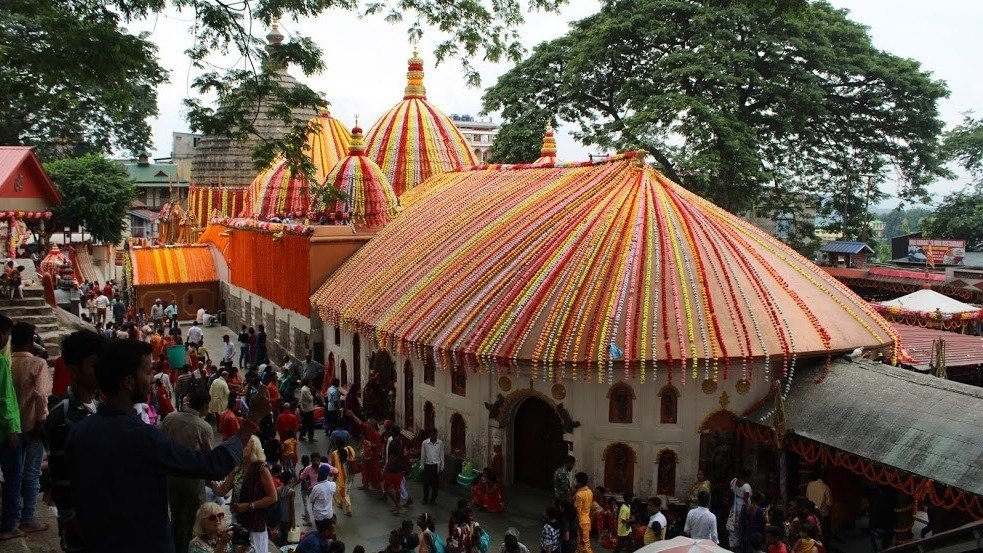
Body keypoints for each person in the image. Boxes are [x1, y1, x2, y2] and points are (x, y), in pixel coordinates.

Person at [65, 338, 272, 552]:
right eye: (147, 372)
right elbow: (213, 465)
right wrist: (252, 420)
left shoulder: (79, 433)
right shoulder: (141, 437)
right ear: (128, 382)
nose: (153, 379)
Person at [43, 330, 102, 549]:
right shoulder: (63, 417)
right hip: (82, 529)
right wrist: (75, 523)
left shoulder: (98, 406)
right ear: (74, 370)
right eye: (95, 365)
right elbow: (62, 482)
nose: (102, 371)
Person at [7, 322, 52, 535]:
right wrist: (42, 421)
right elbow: (41, 395)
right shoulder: (38, 363)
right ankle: (28, 518)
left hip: (11, 428)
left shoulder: (6, 362)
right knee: (32, 474)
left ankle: (12, 518)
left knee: (13, 474)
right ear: (30, 339)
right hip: (33, 425)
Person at [161, 389, 215, 553]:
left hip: (170, 477)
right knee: (195, 520)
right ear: (205, 407)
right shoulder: (203, 426)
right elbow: (209, 457)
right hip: (192, 480)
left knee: (176, 516)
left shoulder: (170, 418)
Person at [210, 435, 278, 553]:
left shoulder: (261, 469)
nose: (241, 448)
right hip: (238, 520)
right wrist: (210, 479)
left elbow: (273, 497)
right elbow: (221, 491)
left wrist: (249, 505)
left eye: (245, 445)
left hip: (254, 524)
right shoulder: (237, 468)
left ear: (253, 447)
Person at [330, 443, 357, 516]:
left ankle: (348, 510)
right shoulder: (350, 449)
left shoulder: (335, 453)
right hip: (351, 475)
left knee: (342, 492)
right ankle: (341, 504)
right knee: (346, 491)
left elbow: (333, 466)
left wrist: (332, 475)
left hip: (340, 476)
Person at [420, 427, 444, 504]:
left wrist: (442, 467)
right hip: (428, 465)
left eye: (435, 434)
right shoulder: (425, 443)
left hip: (436, 466)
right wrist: (422, 466)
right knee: (426, 484)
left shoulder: (440, 443)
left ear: (437, 434)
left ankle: (433, 499)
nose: (434, 436)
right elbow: (423, 455)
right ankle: (425, 499)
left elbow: (441, 455)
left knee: (435, 484)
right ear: (430, 434)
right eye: (432, 434)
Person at [274, 469, 298, 546]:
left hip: (280, 516)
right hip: (288, 517)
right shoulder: (291, 491)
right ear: (290, 479)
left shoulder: (277, 489)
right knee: (289, 536)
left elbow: (276, 504)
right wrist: (293, 521)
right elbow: (292, 508)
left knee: (281, 535)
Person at [805, 472, 832, 541]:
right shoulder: (826, 488)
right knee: (823, 535)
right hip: (823, 515)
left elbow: (807, 497)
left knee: (811, 534)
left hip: (810, 514)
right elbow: (829, 503)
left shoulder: (810, 485)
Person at [729, 470, 752, 549]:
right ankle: (739, 543)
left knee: (733, 523)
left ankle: (732, 543)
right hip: (741, 505)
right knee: (741, 524)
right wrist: (748, 508)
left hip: (735, 504)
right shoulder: (746, 486)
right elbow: (746, 499)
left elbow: (731, 490)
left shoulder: (734, 481)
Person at [573, 472, 593, 553]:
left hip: (581, 522)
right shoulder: (590, 492)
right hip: (587, 519)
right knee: (581, 544)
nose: (575, 483)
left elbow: (578, 510)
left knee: (585, 546)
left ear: (579, 483)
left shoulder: (579, 495)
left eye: (576, 481)